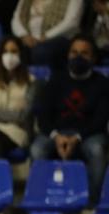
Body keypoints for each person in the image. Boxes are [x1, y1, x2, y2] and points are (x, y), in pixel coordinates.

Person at [30, 34, 109, 204]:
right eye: (74, 52)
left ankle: (92, 203)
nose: (78, 57)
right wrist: (56, 136)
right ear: (68, 55)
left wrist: (76, 138)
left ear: (93, 58)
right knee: (37, 150)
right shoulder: (55, 80)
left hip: (88, 134)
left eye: (84, 53)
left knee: (98, 151)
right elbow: (43, 116)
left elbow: (101, 121)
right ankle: (40, 199)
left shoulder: (102, 84)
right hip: (55, 132)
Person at [11, 0, 83, 67]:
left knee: (40, 51)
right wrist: (24, 35)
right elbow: (16, 19)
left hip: (59, 38)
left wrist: (46, 36)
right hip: (29, 38)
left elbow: (72, 22)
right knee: (9, 46)